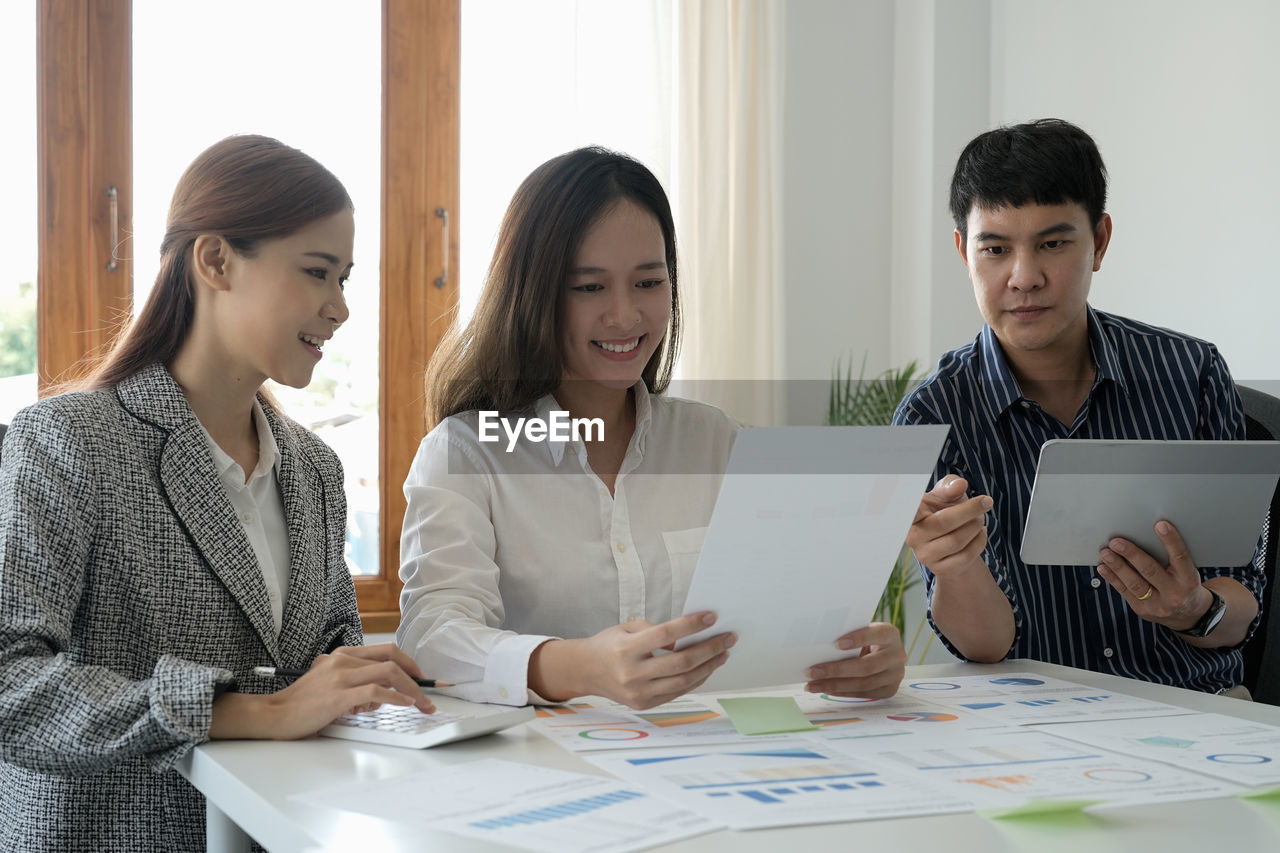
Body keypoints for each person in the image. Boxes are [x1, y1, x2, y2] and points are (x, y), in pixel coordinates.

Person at [0, 135, 434, 852]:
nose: (340, 308)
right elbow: (10, 685)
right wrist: (246, 710)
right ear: (215, 260)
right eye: (318, 272)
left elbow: (327, 668)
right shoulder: (68, 440)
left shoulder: (315, 470)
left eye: (346, 279)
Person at [398, 147, 906, 710]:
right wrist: (579, 666)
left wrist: (858, 657)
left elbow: (792, 618)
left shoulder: (715, 443)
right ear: (533, 294)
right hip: (543, 768)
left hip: (705, 760)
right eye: (589, 287)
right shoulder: (469, 453)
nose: (624, 315)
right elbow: (432, 639)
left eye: (648, 282)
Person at [893, 118, 1264, 695]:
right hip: (1036, 731)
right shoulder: (931, 415)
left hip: (1196, 711)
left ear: (1101, 241)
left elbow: (1244, 605)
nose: (1024, 278)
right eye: (995, 249)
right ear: (964, 251)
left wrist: (1192, 608)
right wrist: (957, 566)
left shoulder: (1189, 375)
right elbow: (986, 649)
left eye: (1053, 243)